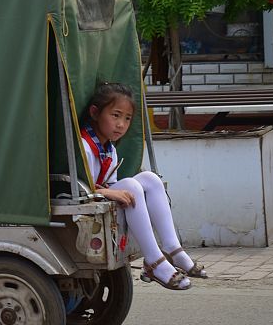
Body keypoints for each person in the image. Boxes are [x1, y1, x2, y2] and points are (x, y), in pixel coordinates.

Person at [80, 82, 206, 291]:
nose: (121, 124)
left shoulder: (109, 148)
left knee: (150, 178)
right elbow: (82, 188)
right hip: (87, 197)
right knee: (131, 185)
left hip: (102, 194)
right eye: (115, 115)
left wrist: (109, 190)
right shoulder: (85, 146)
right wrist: (107, 191)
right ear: (95, 113)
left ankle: (172, 248)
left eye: (127, 118)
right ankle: (154, 261)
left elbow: (109, 183)